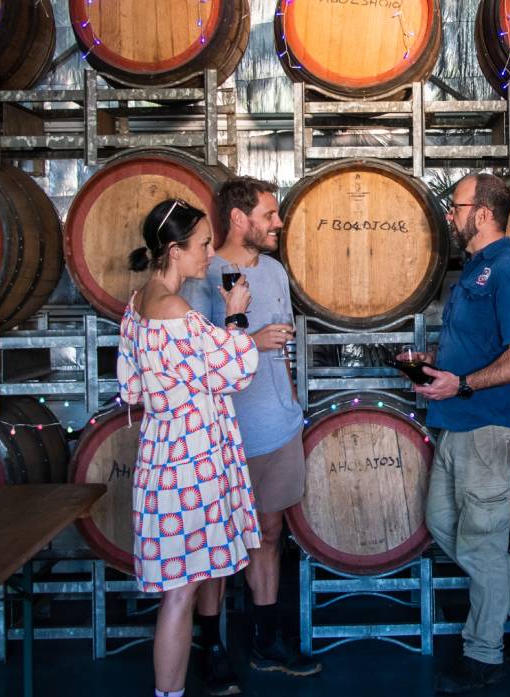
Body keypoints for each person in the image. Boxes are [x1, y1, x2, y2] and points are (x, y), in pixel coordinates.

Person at [412, 173, 510, 694]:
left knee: (479, 542)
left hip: (489, 427)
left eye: (455, 207)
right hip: (456, 424)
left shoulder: (509, 272)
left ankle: (482, 654)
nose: (450, 216)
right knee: (444, 525)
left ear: (482, 214)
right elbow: (481, 347)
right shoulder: (474, 271)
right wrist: (436, 364)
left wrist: (460, 383)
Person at [117, 198, 260, 697]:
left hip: (162, 453)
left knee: (181, 588)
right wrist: (236, 317)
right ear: (174, 250)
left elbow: (132, 389)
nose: (208, 254)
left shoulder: (136, 305)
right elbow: (238, 370)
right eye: (201, 245)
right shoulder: (177, 312)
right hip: (192, 462)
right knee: (180, 594)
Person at [181, 177, 323, 678]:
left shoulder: (276, 273)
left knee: (269, 530)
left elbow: (281, 346)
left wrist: (290, 406)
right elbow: (193, 357)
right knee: (217, 542)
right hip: (224, 429)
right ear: (239, 219)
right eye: (269, 215)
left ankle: (267, 639)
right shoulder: (200, 275)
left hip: (276, 424)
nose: (278, 223)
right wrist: (250, 340)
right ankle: (212, 648)